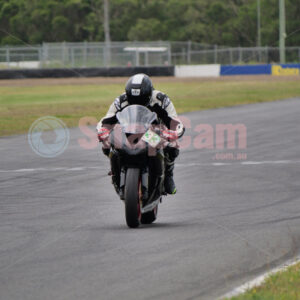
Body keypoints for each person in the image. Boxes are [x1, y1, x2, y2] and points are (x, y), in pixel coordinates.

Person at [97, 73, 185, 195]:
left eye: (141, 100)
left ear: (149, 95)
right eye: (133, 100)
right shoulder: (121, 100)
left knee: (173, 147)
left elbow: (175, 121)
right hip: (126, 133)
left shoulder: (160, 99)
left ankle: (168, 175)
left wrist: (174, 132)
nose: (136, 102)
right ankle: (115, 169)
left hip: (150, 135)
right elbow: (106, 119)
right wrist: (102, 130)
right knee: (107, 144)